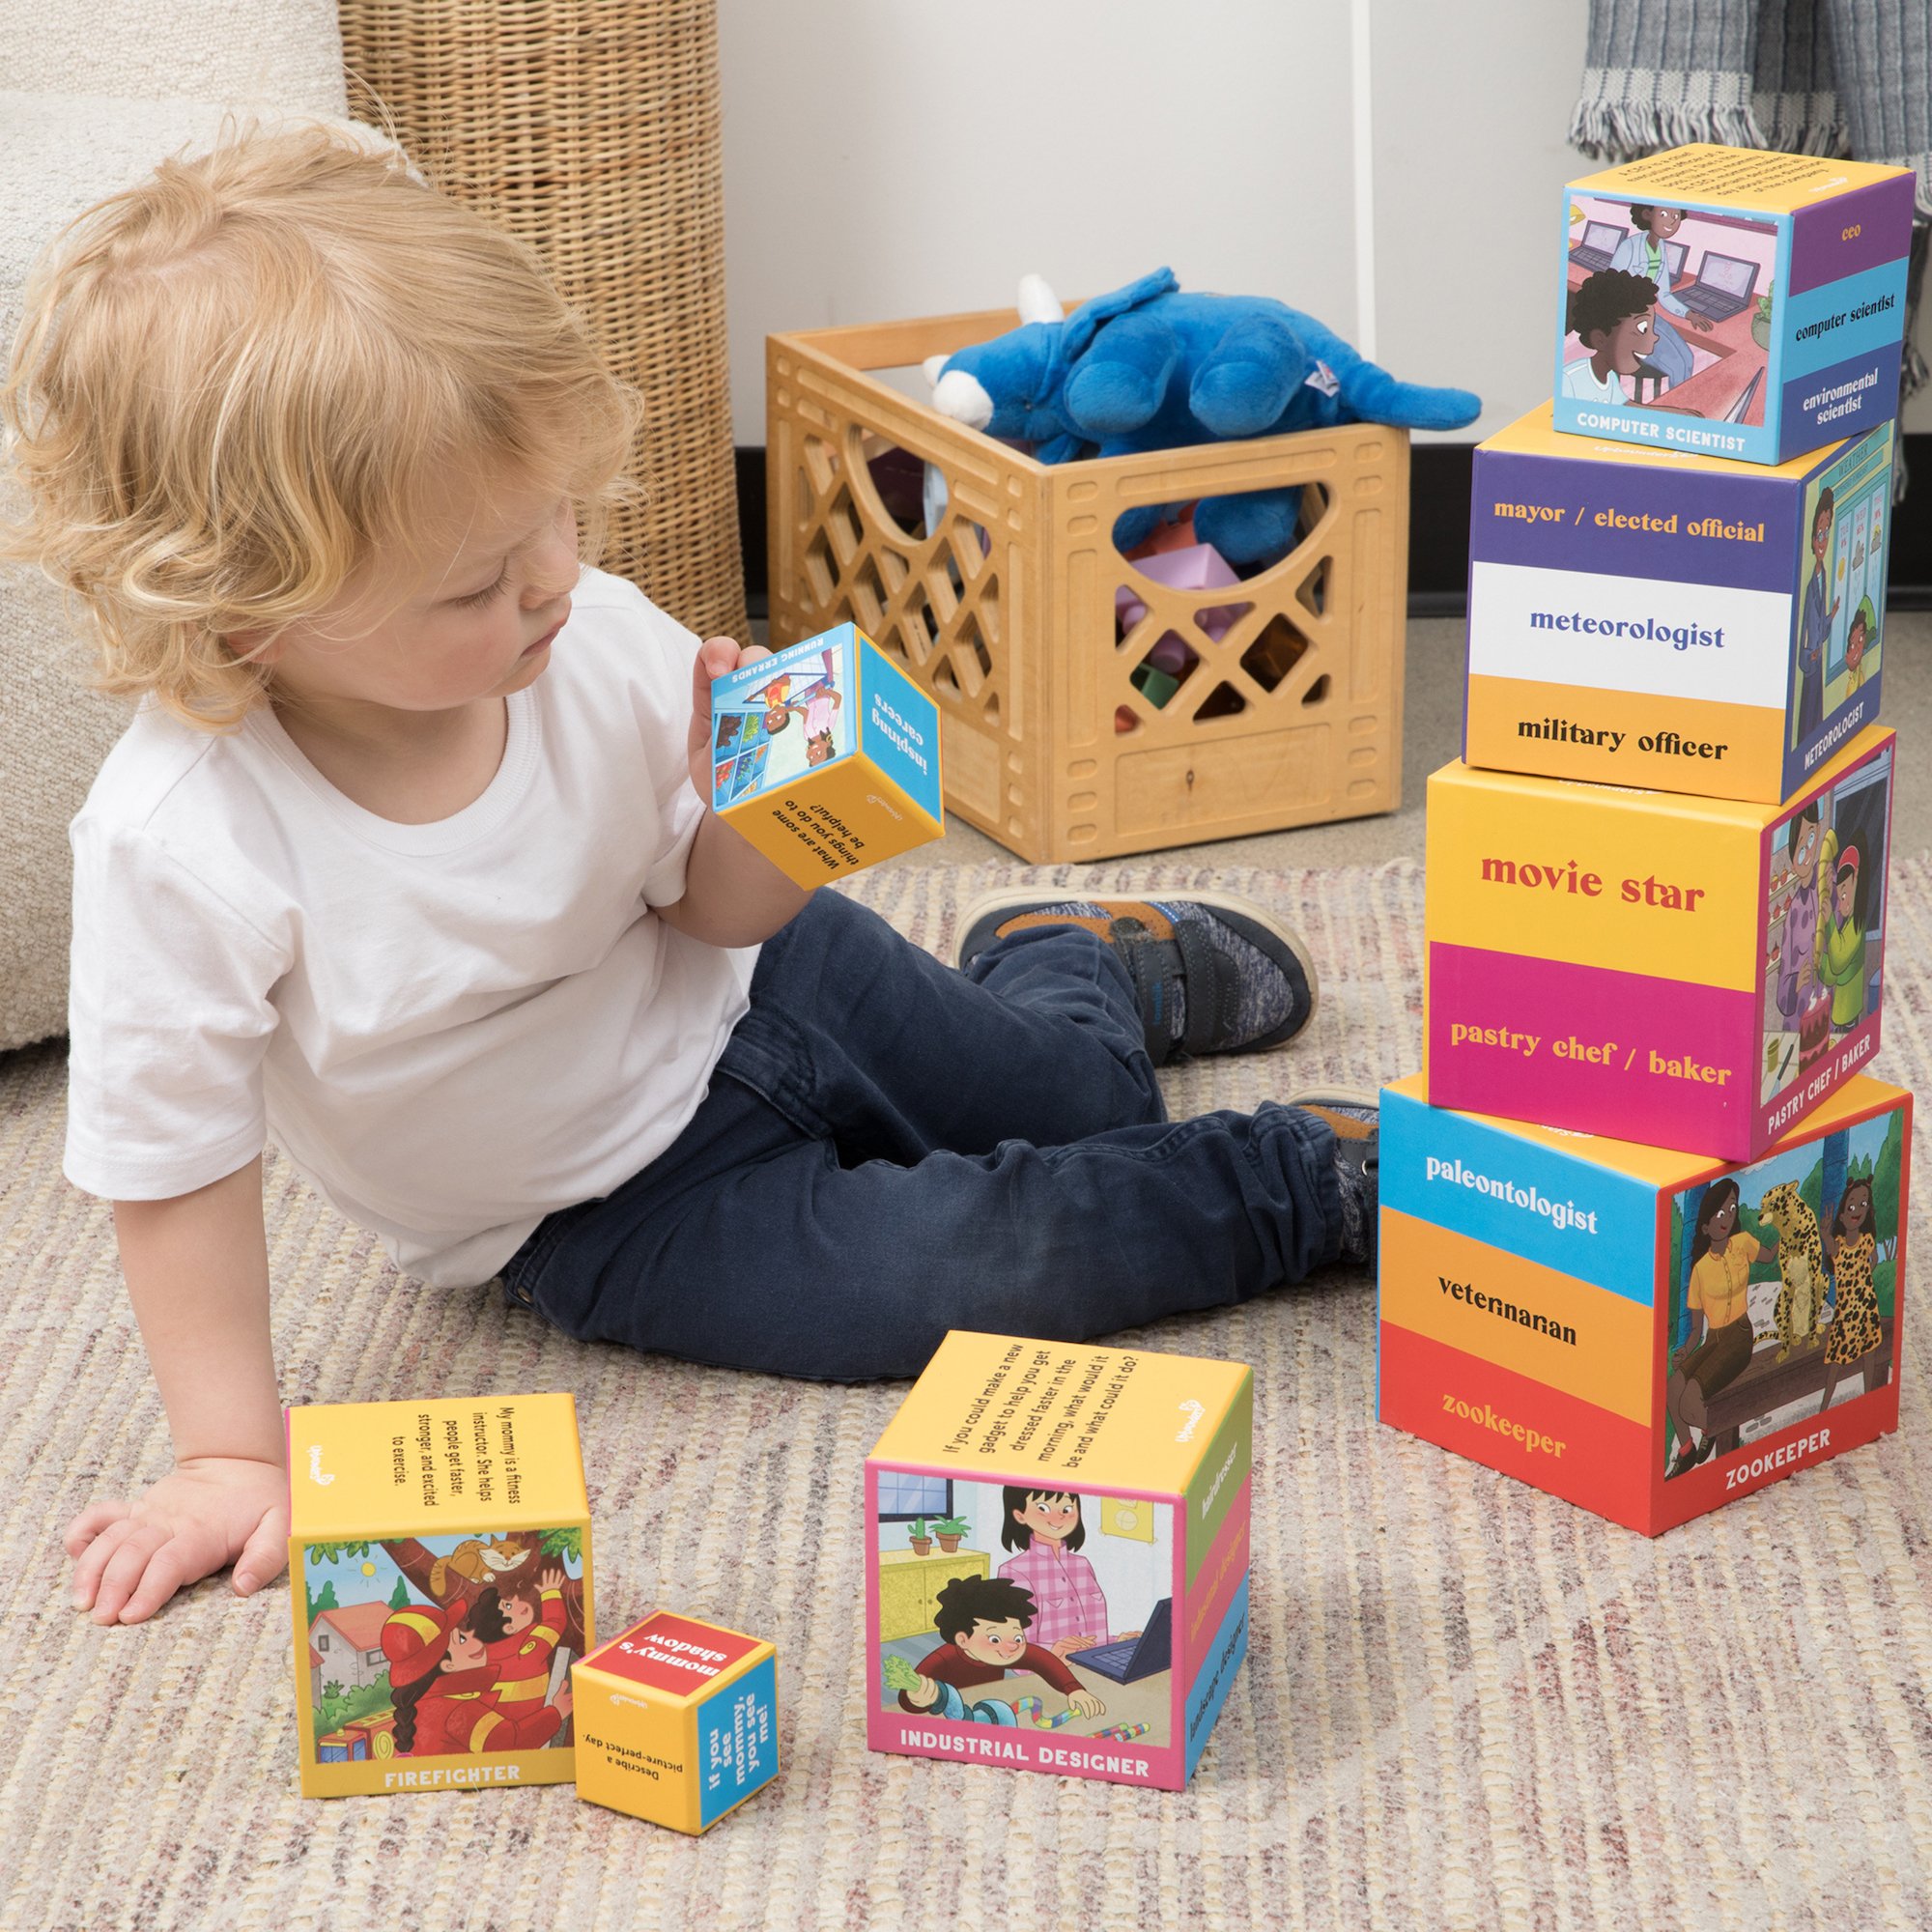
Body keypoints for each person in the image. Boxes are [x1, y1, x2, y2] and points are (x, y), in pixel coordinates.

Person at [5, 127, 1379, 1630]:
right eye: (472, 580)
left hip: (768, 979)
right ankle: (1300, 1179)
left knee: (1093, 1105)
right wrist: (224, 1452)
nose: (548, 575)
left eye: (556, 514)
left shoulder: (580, 632)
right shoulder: (181, 841)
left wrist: (771, 815)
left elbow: (714, 908)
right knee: (992, 1263)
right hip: (593, 1213)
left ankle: (1063, 953)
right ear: (243, 616)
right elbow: (172, 1171)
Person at [1664, 1179, 1776, 1478]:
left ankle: (1710, 1427)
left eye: (1731, 1209)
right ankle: (1686, 1449)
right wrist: (1686, 1351)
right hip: (1712, 1339)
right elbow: (1696, 1329)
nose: (1726, 1217)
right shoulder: (1699, 1270)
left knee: (1689, 1397)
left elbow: (1769, 1255)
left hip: (1739, 1336)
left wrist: (1789, 1233)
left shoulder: (1742, 1244)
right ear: (1704, 1226)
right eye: (1719, 1213)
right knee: (1672, 1387)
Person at [1607, 205, 1713, 389]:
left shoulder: (1660, 247)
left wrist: (1689, 315)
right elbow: (1611, 288)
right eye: (1664, 214)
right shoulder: (1629, 247)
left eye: (1676, 216)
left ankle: (1678, 406)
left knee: (1688, 358)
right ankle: (1675, 410)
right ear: (1647, 215)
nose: (1672, 220)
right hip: (1625, 320)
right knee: (1676, 366)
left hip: (1647, 314)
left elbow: (1663, 294)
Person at [1561, 270, 1662, 406]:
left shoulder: (1609, 377)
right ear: (1600, 340)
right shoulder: (1568, 380)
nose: (1655, 337)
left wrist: (1678, 414)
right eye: (1643, 329)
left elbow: (1626, 405)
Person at [1796, 491, 1840, 739]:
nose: (1822, 540)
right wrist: (1807, 656)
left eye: (1827, 532)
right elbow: (1804, 626)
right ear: (1813, 538)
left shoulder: (1822, 577)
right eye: (1819, 534)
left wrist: (1832, 615)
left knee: (1816, 713)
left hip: (1817, 657)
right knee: (1808, 708)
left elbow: (1820, 626)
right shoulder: (1811, 581)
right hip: (1810, 659)